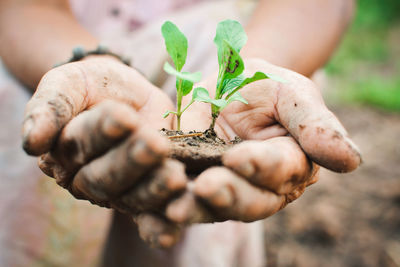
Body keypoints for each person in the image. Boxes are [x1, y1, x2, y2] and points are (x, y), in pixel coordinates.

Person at [0, 0, 360, 266]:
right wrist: (90, 63)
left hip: (226, 40)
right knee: (27, 110)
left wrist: (250, 68)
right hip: (50, 46)